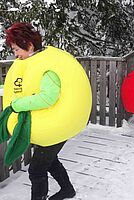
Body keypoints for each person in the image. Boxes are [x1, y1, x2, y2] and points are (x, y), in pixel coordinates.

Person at [3, 22, 92, 200]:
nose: (15, 55)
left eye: (16, 49)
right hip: (49, 127)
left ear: (28, 45)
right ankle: (68, 190)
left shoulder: (46, 67)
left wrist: (17, 105)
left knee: (36, 170)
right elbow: (25, 86)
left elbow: (47, 98)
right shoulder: (32, 63)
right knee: (49, 161)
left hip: (57, 127)